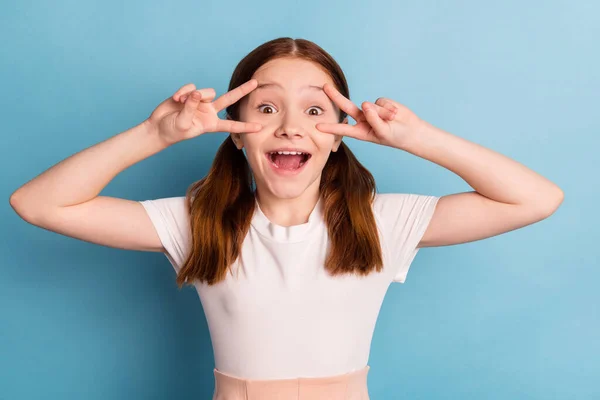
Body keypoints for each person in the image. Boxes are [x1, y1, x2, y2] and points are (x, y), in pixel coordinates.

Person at [9, 37, 564, 399]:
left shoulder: (381, 222)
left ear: (340, 136)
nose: (290, 127)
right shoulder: (199, 222)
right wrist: (153, 135)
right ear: (236, 131)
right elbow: (38, 204)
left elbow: (535, 199)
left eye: (316, 110)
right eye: (268, 108)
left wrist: (417, 139)